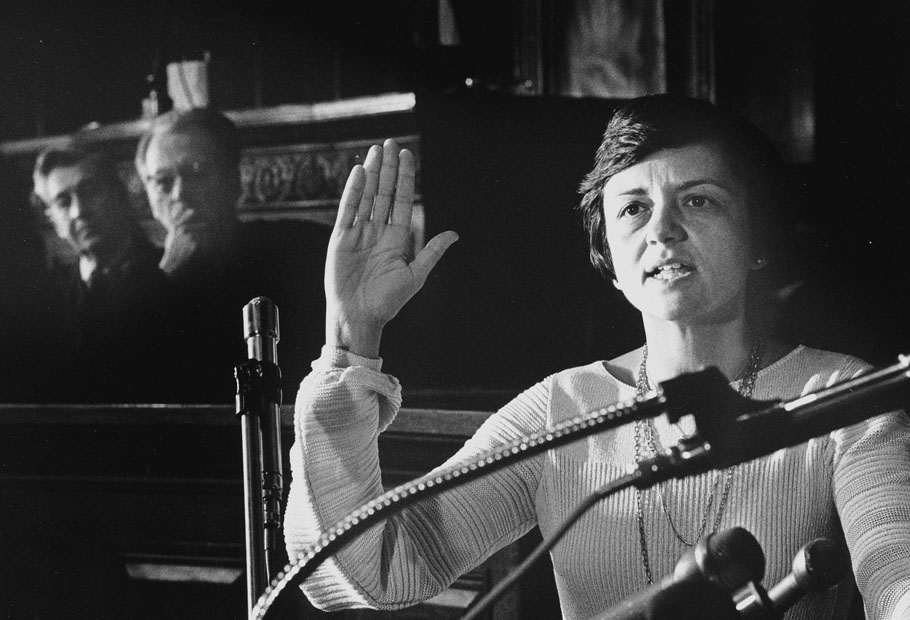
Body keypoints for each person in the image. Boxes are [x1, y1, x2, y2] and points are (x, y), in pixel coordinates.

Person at [283, 96, 910, 619]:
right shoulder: (562, 411)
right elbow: (373, 568)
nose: (662, 229)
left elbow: (897, 579)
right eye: (634, 208)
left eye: (700, 200)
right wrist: (351, 337)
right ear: (609, 257)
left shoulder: (846, 400)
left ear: (760, 240)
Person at [135, 107, 329, 401]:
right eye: (162, 181)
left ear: (234, 180)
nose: (179, 194)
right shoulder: (142, 277)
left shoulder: (298, 251)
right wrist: (168, 274)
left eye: (198, 173)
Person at [31, 147, 169, 401]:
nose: (79, 211)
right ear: (53, 221)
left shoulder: (168, 272)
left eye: (90, 192)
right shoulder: (46, 298)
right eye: (64, 202)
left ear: (120, 196)